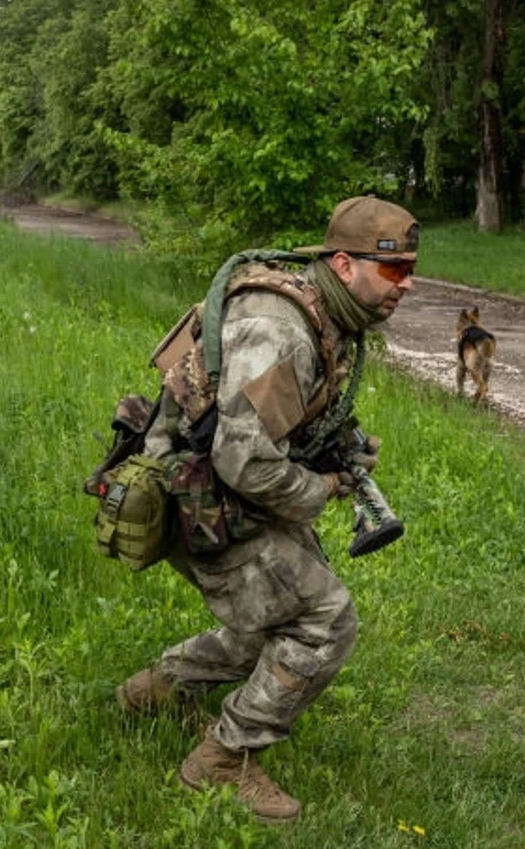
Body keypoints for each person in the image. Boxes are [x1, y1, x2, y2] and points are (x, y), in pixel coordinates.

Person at [114, 195, 420, 822]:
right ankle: (223, 760)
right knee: (323, 620)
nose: (407, 285)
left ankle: (158, 692)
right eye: (393, 271)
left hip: (210, 490)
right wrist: (321, 490)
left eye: (409, 269)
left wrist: (332, 450)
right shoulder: (282, 329)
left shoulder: (322, 317)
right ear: (342, 264)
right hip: (199, 499)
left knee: (271, 619)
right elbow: (243, 460)